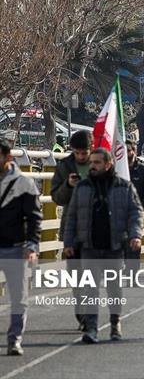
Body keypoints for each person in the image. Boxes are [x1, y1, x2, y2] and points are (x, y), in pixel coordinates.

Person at [63, 147, 144, 344]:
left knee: (113, 288)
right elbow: (72, 216)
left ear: (108, 164)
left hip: (114, 247)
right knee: (90, 289)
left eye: (97, 162)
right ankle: (91, 328)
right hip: (89, 246)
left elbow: (135, 212)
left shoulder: (123, 187)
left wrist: (135, 235)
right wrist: (68, 242)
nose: (92, 166)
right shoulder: (83, 187)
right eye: (91, 162)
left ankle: (115, 323)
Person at [0, 139, 42, 356]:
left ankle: (14, 339)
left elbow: (34, 217)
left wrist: (32, 245)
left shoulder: (23, 183)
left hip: (16, 248)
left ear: (8, 158)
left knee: (19, 297)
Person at [50, 130, 93, 330]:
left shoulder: (99, 163)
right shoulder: (65, 166)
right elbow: (56, 197)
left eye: (85, 153)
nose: (82, 157)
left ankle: (90, 317)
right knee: (76, 275)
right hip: (73, 227)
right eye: (78, 153)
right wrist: (68, 185)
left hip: (96, 227)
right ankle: (82, 314)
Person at [126, 139, 144, 210]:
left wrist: (142, 205)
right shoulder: (115, 170)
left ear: (134, 151)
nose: (126, 153)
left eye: (128, 150)